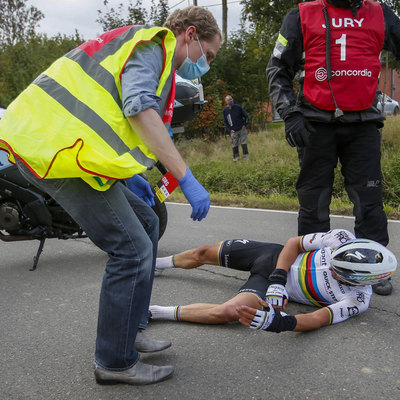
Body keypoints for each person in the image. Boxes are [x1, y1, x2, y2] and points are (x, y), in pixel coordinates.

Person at [0, 6, 222, 386]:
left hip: (71, 153)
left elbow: (116, 118)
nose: (206, 65)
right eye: (209, 55)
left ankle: (129, 331)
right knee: (131, 248)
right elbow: (137, 107)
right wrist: (184, 175)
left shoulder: (152, 56)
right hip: (54, 154)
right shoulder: (155, 45)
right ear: (189, 34)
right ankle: (114, 362)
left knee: (147, 221)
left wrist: (134, 173)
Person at [266, 0, 400, 296]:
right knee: (314, 198)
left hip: (363, 123)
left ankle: (372, 265)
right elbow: (277, 68)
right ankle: (313, 263)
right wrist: (289, 113)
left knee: (369, 198)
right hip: (315, 123)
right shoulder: (301, 14)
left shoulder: (380, 13)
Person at [149, 229, 397, 332]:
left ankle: (155, 312)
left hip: (269, 289)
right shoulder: (340, 237)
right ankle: (153, 264)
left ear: (360, 280)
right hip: (273, 257)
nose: (330, 267)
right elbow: (293, 243)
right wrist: (279, 276)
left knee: (229, 312)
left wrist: (280, 323)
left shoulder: (358, 299)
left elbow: (316, 319)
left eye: (337, 271)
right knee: (204, 252)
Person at [222, 95, 250, 161]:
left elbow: (246, 116)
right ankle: (236, 158)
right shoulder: (225, 110)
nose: (231, 100)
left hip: (241, 128)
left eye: (231, 99)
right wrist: (230, 129)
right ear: (226, 102)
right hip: (233, 131)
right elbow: (225, 121)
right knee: (234, 145)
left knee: (243, 143)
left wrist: (245, 124)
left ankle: (246, 157)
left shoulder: (238, 107)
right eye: (229, 100)